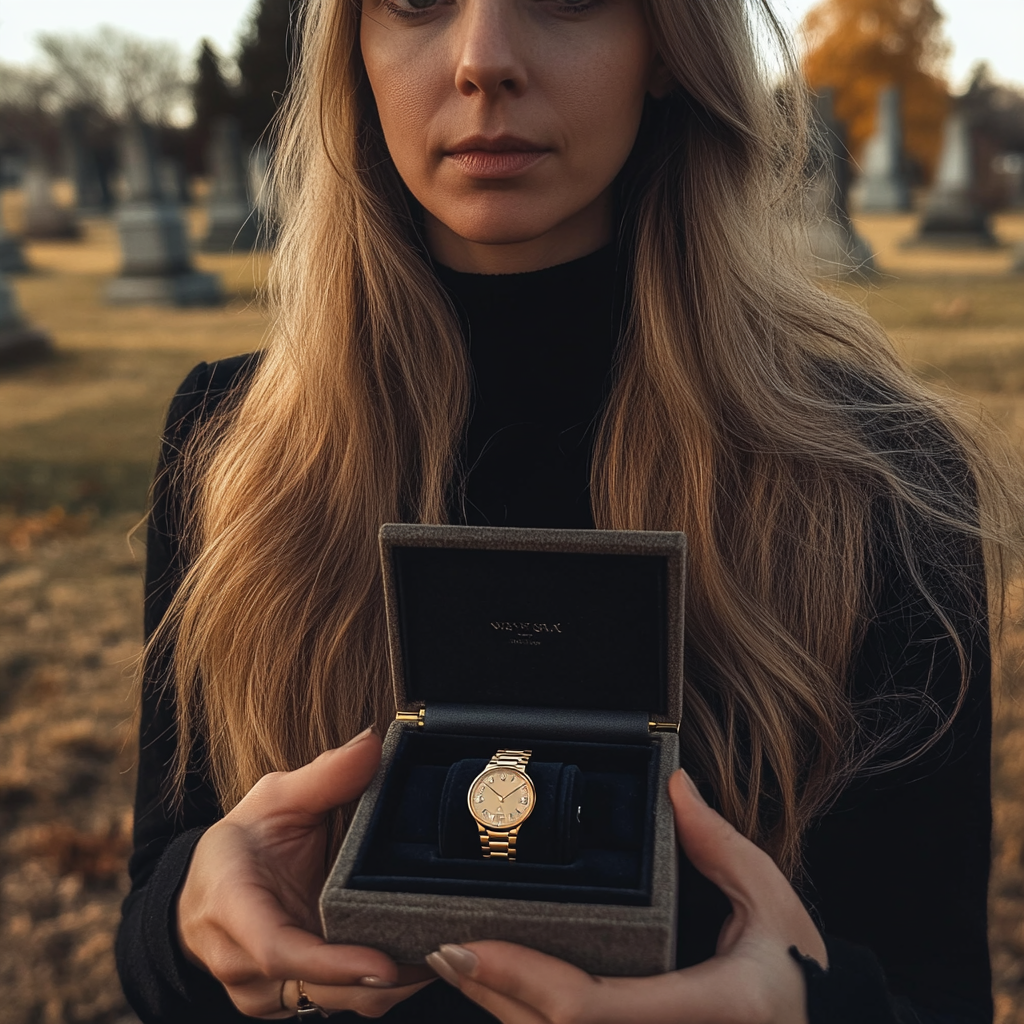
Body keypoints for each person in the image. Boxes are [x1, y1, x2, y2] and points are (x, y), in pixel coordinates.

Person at [116, 0, 1022, 1020]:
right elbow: (158, 909)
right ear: (351, 51)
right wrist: (195, 921)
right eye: (414, 2)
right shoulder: (228, 442)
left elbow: (933, 987)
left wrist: (808, 1010)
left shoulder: (881, 476)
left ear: (668, 50)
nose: (481, 62)